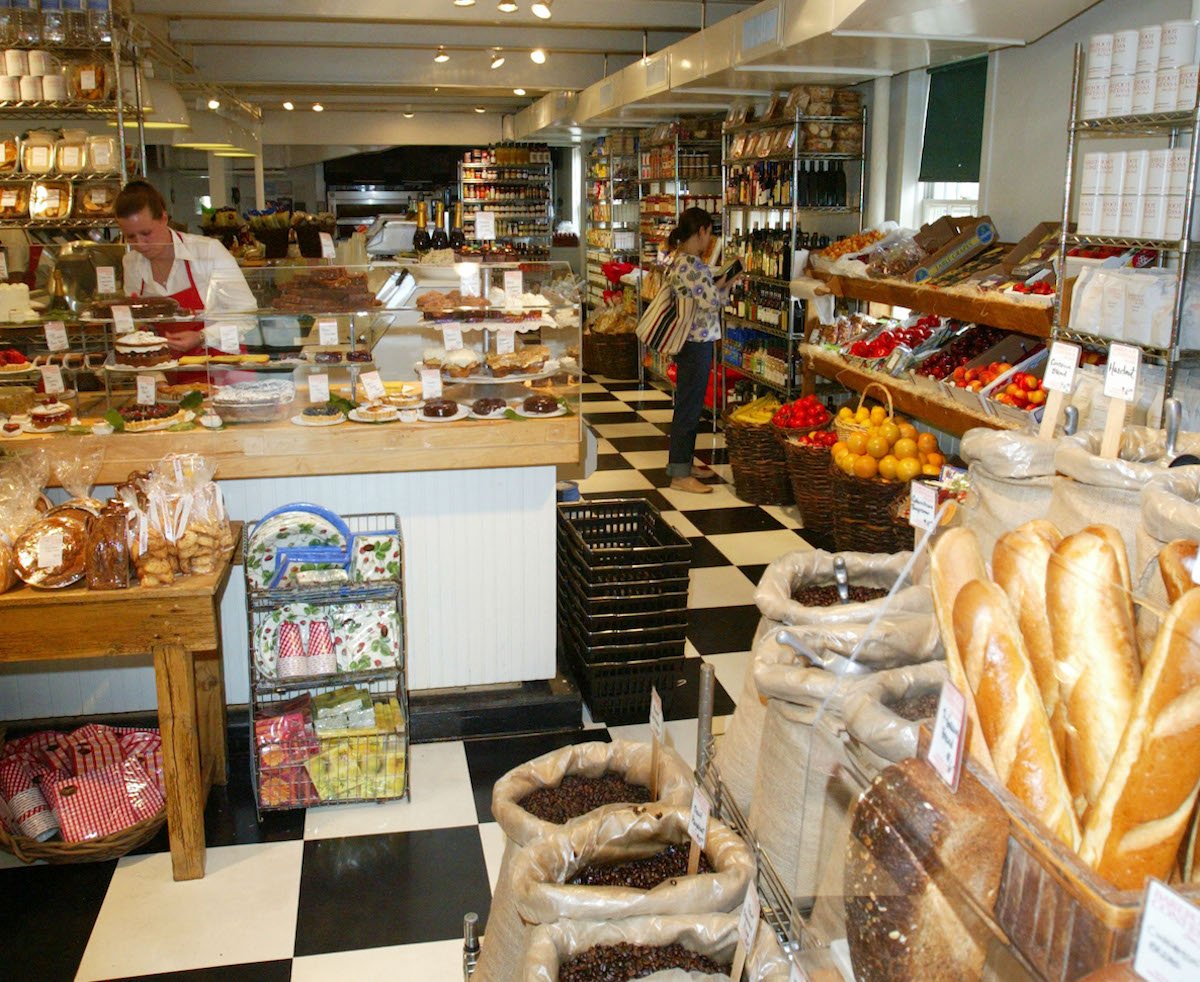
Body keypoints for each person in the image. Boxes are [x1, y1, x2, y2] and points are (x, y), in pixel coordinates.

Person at [114, 179, 256, 356]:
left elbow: (247, 315)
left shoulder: (207, 252)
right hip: (167, 367)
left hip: (221, 364)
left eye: (146, 233)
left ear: (164, 218)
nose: (141, 244)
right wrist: (157, 378)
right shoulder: (131, 263)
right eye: (131, 237)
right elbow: (136, 323)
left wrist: (202, 337)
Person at [663, 207, 739, 494]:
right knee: (689, 407)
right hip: (696, 343)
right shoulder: (691, 266)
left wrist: (718, 282)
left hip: (691, 341)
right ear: (702, 231)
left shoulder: (682, 260)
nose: (710, 240)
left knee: (688, 404)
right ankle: (680, 475)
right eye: (709, 233)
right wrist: (729, 283)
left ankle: (682, 463)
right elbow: (712, 301)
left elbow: (702, 292)